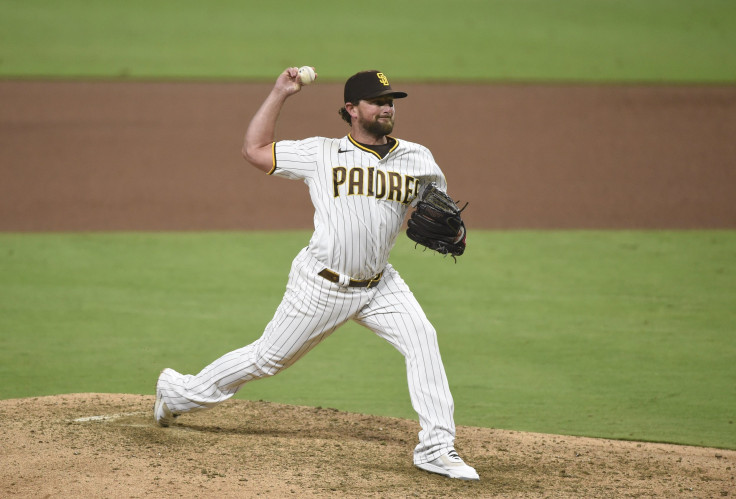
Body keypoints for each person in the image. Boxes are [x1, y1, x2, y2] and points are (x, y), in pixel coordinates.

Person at [153, 67, 479, 481]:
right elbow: (254, 150)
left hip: (381, 284)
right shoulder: (320, 152)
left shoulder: (419, 158)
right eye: (377, 101)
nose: (387, 107)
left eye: (390, 100)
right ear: (351, 109)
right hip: (321, 285)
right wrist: (279, 93)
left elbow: (439, 211)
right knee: (266, 359)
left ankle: (436, 448)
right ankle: (178, 393)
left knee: (423, 340)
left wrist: (454, 233)